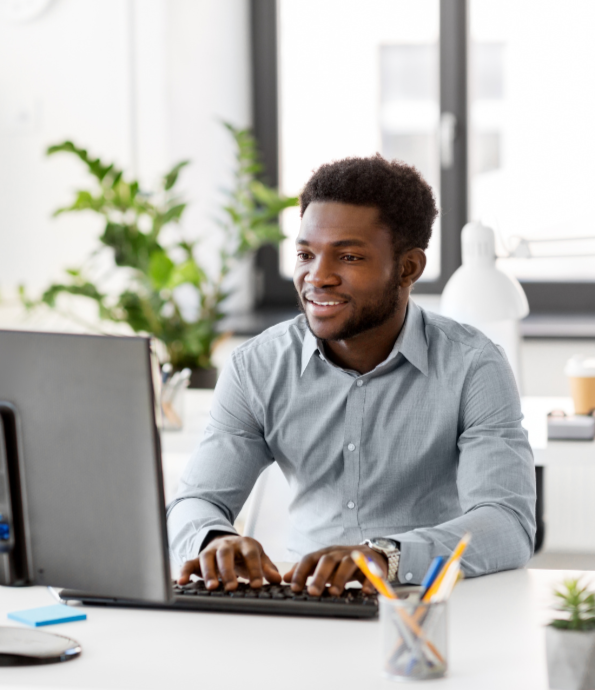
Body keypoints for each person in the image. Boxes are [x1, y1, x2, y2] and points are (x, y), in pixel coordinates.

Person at [167, 155, 535, 597]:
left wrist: (385, 556)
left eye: (348, 256)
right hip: (301, 604)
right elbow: (195, 500)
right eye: (305, 254)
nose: (316, 277)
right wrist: (213, 540)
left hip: (426, 604)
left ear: (408, 268)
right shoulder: (257, 366)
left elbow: (507, 523)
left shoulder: (473, 366)